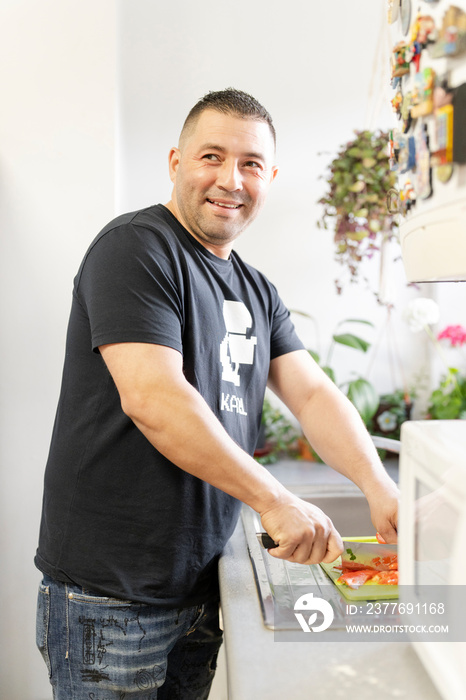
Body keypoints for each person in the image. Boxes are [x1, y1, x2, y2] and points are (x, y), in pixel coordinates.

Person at [35, 88, 399, 699]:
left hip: (196, 589)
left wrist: (377, 484)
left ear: (271, 176)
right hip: (110, 597)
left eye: (251, 164)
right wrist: (274, 499)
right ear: (176, 161)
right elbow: (154, 398)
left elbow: (310, 394)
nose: (231, 179)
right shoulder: (135, 249)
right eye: (212, 156)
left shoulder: (257, 289)